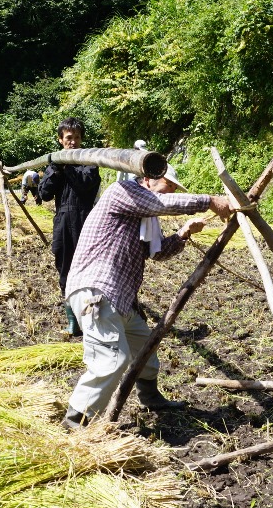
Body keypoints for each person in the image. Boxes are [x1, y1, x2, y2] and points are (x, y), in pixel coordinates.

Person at [61, 164, 232, 429]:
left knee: (146, 350)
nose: (171, 189)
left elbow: (158, 252)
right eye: (169, 184)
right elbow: (161, 203)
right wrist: (210, 201)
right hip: (97, 291)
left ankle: (150, 397)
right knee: (109, 362)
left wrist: (184, 233)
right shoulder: (123, 192)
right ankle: (76, 422)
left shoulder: (145, 218)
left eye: (175, 187)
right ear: (150, 179)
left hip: (121, 298)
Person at [38, 118, 101, 336]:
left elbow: (85, 186)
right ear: (60, 140)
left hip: (86, 221)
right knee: (64, 267)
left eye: (76, 138)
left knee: (89, 270)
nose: (72, 142)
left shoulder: (90, 162)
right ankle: (72, 320)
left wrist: (68, 167)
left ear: (81, 139)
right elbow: (44, 193)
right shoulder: (55, 163)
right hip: (63, 221)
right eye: (68, 138)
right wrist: (56, 169)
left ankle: (91, 318)